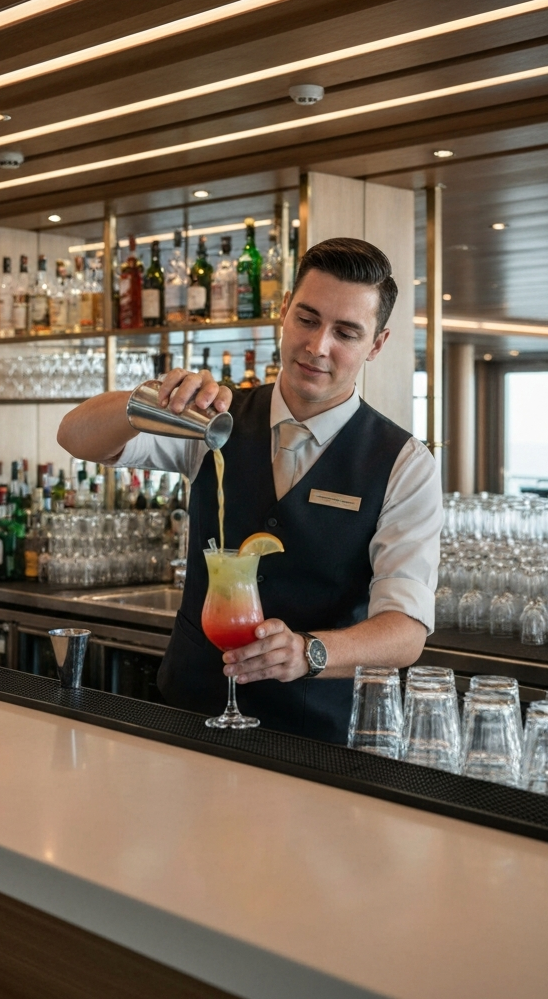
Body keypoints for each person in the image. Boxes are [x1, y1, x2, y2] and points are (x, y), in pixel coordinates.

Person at [58, 237, 443, 744]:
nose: (317, 345)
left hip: (314, 738)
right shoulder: (212, 420)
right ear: (283, 312)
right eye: (307, 319)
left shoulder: (405, 463)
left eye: (345, 332)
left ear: (376, 344)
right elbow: (75, 436)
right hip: (187, 716)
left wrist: (309, 652)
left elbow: (405, 630)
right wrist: (150, 400)